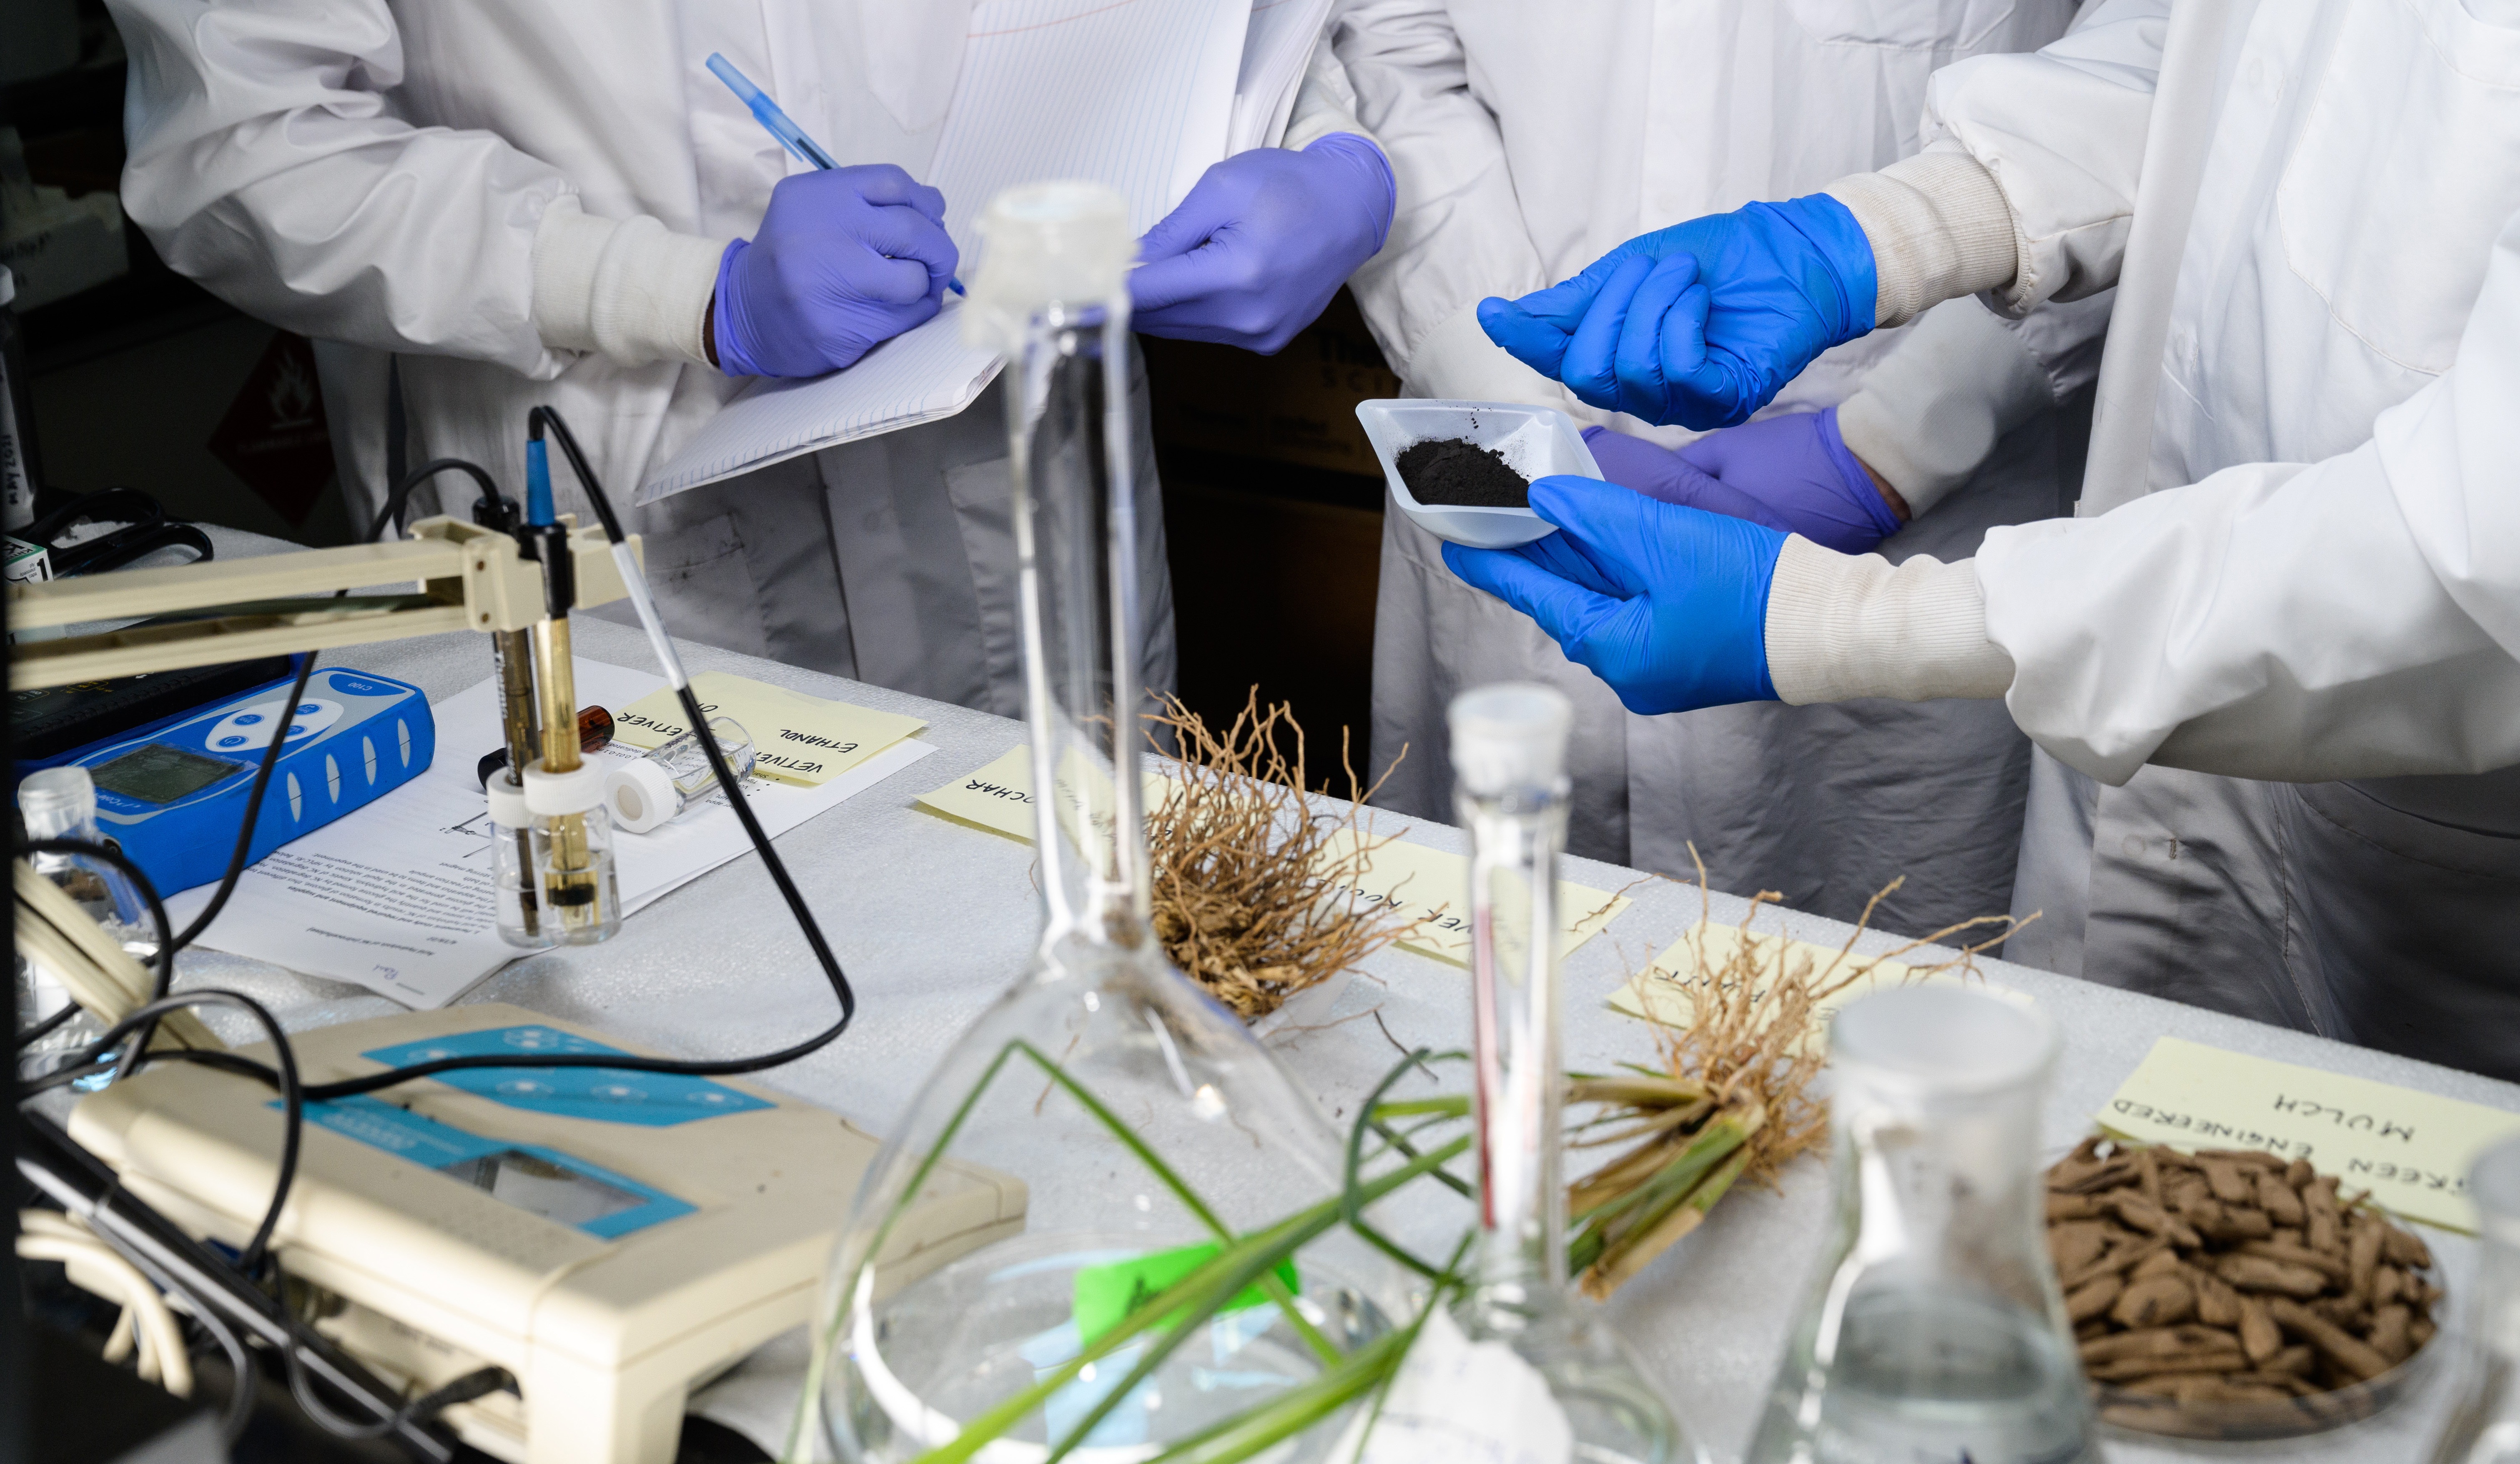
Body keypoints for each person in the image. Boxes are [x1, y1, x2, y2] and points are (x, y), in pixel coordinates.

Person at [1456, 0, 2520, 1080]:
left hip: (2411, 849)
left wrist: (1861, 621)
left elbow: (2470, 537)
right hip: (2153, 699)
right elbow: (2215, 60)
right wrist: (1893, 230)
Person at [106, 1, 1394, 718]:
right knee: (681, 1087)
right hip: (625, 508)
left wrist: (1324, 152)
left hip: (1021, 476)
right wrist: (684, 294)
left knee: (1094, 1046)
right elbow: (241, 152)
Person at [1328, 0, 2099, 938]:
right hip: (1498, 464)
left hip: (1921, 521)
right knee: (1491, 989)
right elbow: (1386, 51)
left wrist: (1905, 437)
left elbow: (2160, 96)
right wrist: (1499, 397)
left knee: (1875, 1008)